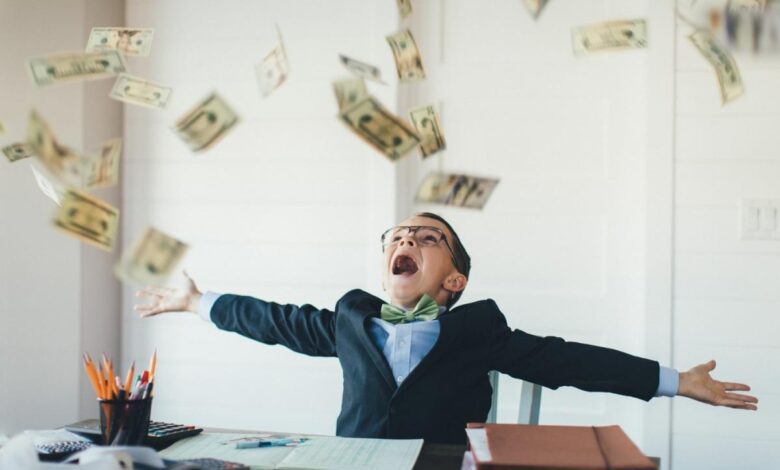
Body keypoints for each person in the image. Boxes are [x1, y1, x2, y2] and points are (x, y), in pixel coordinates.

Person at [135, 212, 758, 444]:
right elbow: (272, 321)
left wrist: (676, 381)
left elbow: (570, 361)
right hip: (355, 463)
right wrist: (199, 302)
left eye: (428, 238)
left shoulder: (478, 332)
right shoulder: (350, 322)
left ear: (454, 280)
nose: (407, 239)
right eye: (398, 236)